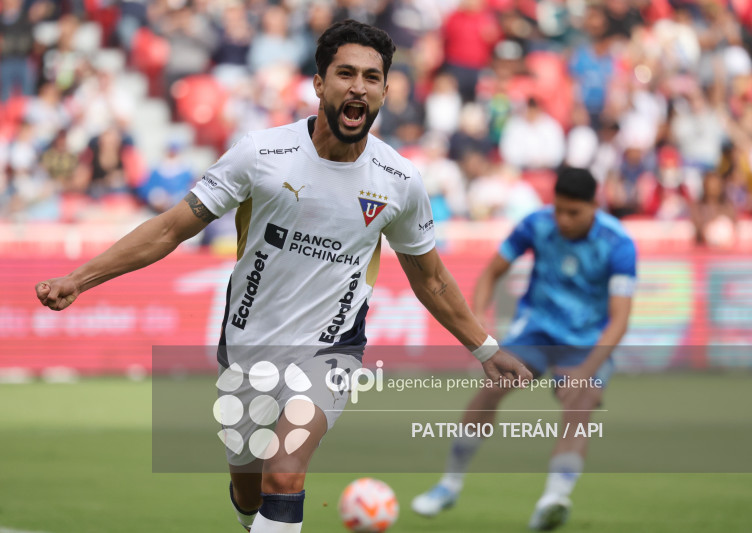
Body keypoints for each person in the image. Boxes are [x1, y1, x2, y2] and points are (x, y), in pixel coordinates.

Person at [35, 20, 531, 533]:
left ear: (384, 90)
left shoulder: (400, 181)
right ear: (319, 84)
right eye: (345, 74)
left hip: (331, 350)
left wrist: (486, 350)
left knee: (285, 472)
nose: (358, 86)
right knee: (249, 489)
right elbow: (169, 229)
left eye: (371, 77)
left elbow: (431, 279)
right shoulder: (261, 155)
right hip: (247, 346)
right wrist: (81, 279)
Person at [412, 167, 636, 530]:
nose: (563, 219)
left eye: (574, 213)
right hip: (537, 331)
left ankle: (554, 499)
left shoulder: (619, 244)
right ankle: (449, 484)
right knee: (491, 389)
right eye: (559, 209)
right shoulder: (536, 223)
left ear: (595, 206)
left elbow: (620, 320)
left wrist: (584, 371)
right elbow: (491, 273)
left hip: (585, 344)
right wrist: (480, 323)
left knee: (579, 404)